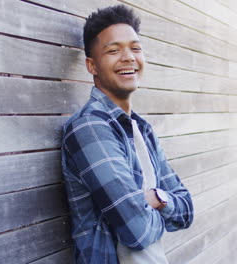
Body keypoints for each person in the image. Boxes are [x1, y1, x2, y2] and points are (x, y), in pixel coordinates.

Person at [61, 5, 194, 264]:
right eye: (113, 50)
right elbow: (138, 231)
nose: (128, 57)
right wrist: (161, 207)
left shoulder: (140, 128)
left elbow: (186, 211)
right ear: (92, 66)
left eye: (135, 48)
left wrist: (156, 198)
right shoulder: (89, 128)